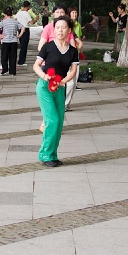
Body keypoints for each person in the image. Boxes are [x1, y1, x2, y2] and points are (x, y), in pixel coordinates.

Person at [34, 16, 80, 166]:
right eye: (58, 27)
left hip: (60, 87)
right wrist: (44, 75)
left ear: (69, 30)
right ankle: (45, 154)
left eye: (64, 27)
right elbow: (36, 66)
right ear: (54, 29)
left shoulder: (73, 51)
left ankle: (53, 155)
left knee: (59, 123)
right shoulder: (48, 46)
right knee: (52, 120)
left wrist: (63, 82)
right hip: (44, 87)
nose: (60, 30)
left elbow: (73, 71)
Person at [38, 5, 82, 110]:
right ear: (53, 14)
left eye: (62, 12)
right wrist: (52, 52)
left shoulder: (67, 28)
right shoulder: (49, 27)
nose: (59, 15)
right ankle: (52, 108)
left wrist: (69, 54)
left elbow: (72, 44)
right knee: (50, 97)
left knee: (70, 83)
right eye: (57, 12)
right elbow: (41, 47)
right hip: (50, 64)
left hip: (66, 62)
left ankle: (64, 104)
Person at [0, 7, 23, 76]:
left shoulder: (3, 21)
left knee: (4, 56)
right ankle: (12, 71)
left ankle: (4, 70)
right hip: (14, 41)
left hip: (5, 41)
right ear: (12, 13)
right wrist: (19, 35)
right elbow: (23, 27)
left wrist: (0, 35)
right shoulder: (15, 21)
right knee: (13, 57)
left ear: (4, 14)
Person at [15, 1, 36, 66]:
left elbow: (15, 19)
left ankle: (21, 60)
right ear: (28, 6)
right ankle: (21, 61)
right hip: (25, 30)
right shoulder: (26, 14)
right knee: (24, 46)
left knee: (22, 44)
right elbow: (32, 22)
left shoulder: (18, 13)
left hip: (19, 29)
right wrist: (36, 19)